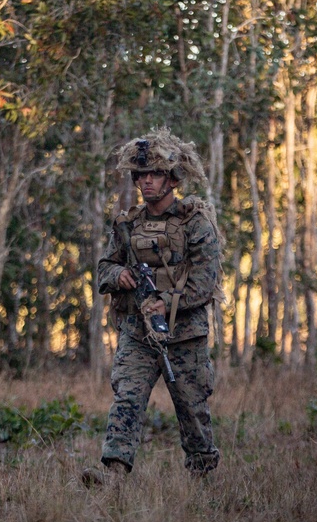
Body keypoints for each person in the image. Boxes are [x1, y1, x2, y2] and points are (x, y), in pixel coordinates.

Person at [87, 128, 222, 484]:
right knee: (127, 400)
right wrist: (119, 277)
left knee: (192, 410)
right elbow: (104, 268)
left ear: (173, 179)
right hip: (137, 333)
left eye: (155, 174)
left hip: (185, 335)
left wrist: (166, 303)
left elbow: (205, 282)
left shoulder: (196, 223)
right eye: (141, 175)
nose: (146, 182)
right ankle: (112, 476)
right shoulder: (128, 225)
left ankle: (203, 481)